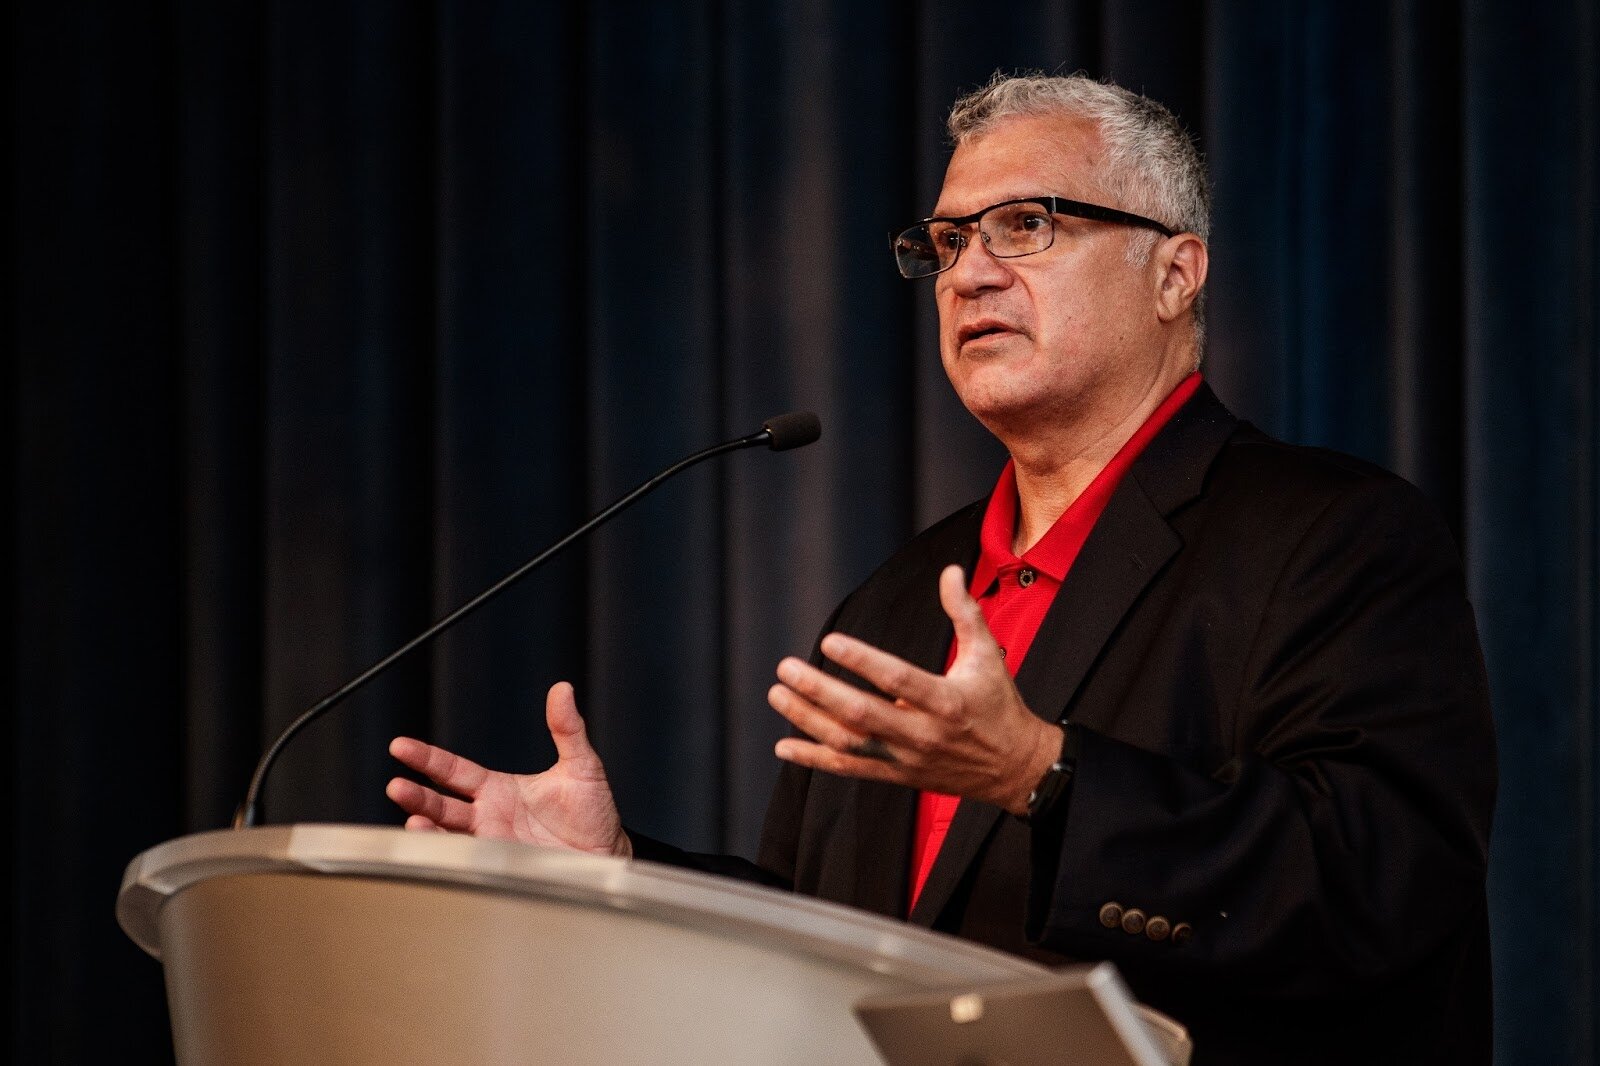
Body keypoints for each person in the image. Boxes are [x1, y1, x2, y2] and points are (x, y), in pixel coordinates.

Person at [387, 72, 1495, 1065]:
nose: (969, 274)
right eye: (946, 242)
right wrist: (617, 868)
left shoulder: (1336, 536)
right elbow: (830, 938)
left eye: (1026, 225)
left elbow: (1379, 886)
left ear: (1174, 273)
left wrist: (1045, 777)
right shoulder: (897, 598)